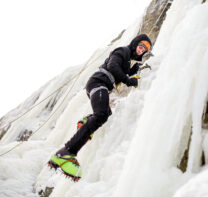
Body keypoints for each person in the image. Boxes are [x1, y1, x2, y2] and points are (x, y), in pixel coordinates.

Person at [48, 34, 152, 181]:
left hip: (103, 87)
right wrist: (127, 79)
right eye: (141, 46)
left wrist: (141, 68)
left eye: (144, 50)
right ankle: (66, 153)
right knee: (102, 114)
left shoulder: (131, 63)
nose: (141, 50)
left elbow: (133, 74)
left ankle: (85, 122)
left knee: (105, 113)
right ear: (135, 44)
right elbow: (113, 66)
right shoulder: (122, 51)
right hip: (99, 82)